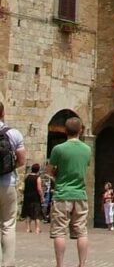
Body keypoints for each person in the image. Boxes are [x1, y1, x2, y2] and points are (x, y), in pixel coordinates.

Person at [48, 116, 91, 267]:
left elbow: (50, 171)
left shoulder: (58, 149)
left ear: (66, 131)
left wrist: (57, 175)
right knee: (81, 231)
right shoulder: (87, 149)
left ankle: (60, 264)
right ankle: (82, 263)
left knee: (59, 232)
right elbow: (84, 167)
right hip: (80, 194)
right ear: (80, 130)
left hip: (62, 194)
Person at [0, 101, 27, 267]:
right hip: (7, 182)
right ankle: (8, 263)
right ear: (3, 113)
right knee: (8, 224)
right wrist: (8, 168)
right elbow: (22, 160)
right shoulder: (13, 133)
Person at [23, 164, 45, 234]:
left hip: (27, 197)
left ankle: (28, 228)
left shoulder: (27, 177)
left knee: (28, 213)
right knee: (37, 213)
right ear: (38, 170)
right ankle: (37, 228)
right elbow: (39, 189)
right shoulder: (37, 178)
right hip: (35, 197)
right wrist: (42, 197)